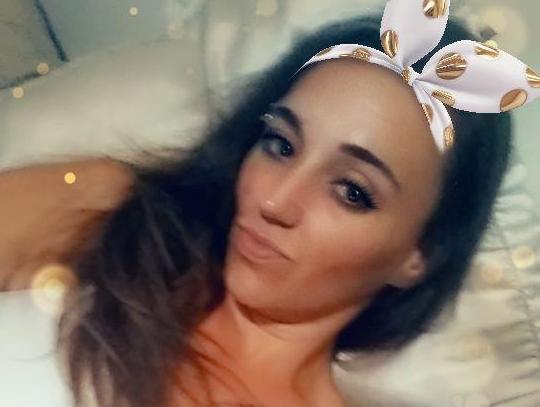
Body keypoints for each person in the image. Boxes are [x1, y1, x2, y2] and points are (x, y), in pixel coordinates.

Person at [0, 5, 531, 407]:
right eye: (280, 145)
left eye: (352, 191)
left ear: (419, 255)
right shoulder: (109, 211)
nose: (274, 200)